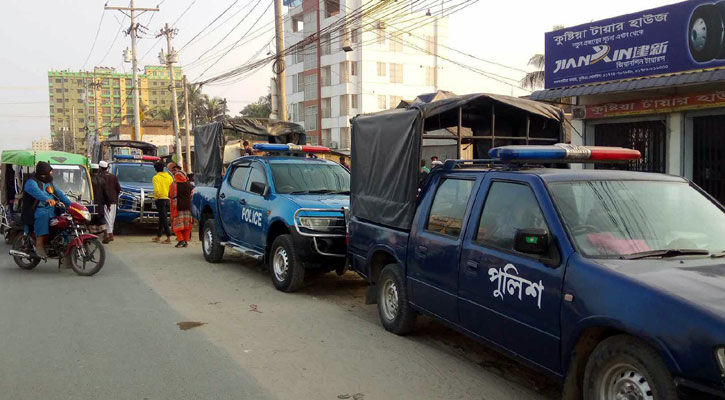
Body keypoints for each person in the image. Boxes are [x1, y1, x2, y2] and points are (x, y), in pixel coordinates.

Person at [21, 161, 71, 258]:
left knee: (64, 220)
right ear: (43, 174)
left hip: (50, 209)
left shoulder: (49, 183)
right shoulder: (31, 183)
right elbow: (38, 193)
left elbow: (59, 193)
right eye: (50, 173)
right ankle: (39, 244)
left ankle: (65, 246)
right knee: (43, 215)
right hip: (35, 210)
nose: (51, 174)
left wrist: (70, 205)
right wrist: (47, 199)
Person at [170, 171, 193, 247]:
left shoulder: (173, 185)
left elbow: (169, 195)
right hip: (188, 207)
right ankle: (185, 241)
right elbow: (191, 195)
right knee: (186, 225)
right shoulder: (189, 184)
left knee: (177, 225)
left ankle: (180, 240)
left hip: (177, 208)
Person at [99, 160, 120, 243]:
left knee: (107, 219)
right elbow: (118, 189)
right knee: (111, 219)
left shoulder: (100, 177)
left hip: (105, 201)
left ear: (100, 168)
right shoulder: (113, 176)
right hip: (113, 200)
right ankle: (110, 234)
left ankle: (108, 235)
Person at [152, 161, 173, 243]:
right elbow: (172, 188)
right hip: (168, 199)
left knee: (163, 218)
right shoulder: (169, 177)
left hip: (160, 199)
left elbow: (156, 190)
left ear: (156, 169)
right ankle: (158, 235)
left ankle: (168, 236)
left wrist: (156, 197)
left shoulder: (156, 178)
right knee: (162, 217)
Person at [88, 164, 108, 240]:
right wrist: (107, 202)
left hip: (92, 202)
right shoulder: (102, 180)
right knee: (101, 218)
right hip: (100, 202)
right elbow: (105, 193)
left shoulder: (89, 180)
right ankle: (105, 233)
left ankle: (92, 235)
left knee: (91, 219)